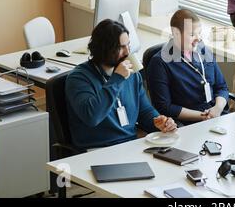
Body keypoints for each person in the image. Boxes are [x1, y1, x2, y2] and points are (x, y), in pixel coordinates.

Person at [65, 19, 176, 150]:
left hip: (130, 146)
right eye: (120, 47)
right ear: (103, 49)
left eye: (128, 45)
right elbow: (92, 117)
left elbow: (145, 111)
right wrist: (117, 79)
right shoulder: (79, 78)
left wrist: (159, 122)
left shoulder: (131, 74)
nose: (127, 52)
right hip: (98, 150)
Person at [147, 9, 229, 126]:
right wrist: (204, 117)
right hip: (189, 124)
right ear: (176, 33)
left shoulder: (203, 50)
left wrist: (217, 108)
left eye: (199, 33)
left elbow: (222, 87)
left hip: (217, 116)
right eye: (192, 34)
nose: (198, 38)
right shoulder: (160, 63)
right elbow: (165, 107)